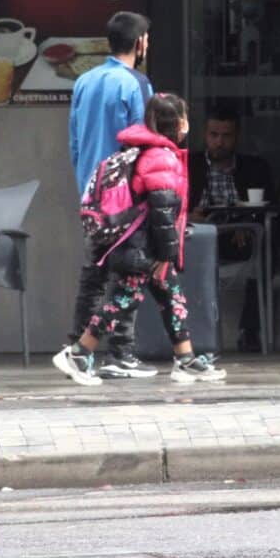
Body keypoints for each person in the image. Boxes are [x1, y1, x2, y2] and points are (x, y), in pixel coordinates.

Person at [53, 92, 226, 387]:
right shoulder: (161, 157)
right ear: (178, 123)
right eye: (184, 118)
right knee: (120, 301)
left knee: (171, 298)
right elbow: (161, 210)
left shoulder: (147, 151)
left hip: (146, 246)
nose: (187, 124)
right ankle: (78, 354)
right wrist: (166, 254)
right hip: (143, 249)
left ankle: (186, 360)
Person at [66, 10, 156, 379]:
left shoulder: (84, 81)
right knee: (129, 273)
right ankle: (121, 351)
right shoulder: (137, 83)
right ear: (140, 43)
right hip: (126, 197)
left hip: (91, 191)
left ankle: (78, 349)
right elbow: (145, 141)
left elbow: (74, 139)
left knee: (93, 275)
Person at [189, 108, 275, 352]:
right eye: (214, 135)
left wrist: (248, 223)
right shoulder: (189, 165)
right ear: (205, 135)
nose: (220, 142)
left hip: (241, 237)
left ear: (237, 137)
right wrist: (188, 216)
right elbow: (172, 206)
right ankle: (188, 336)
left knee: (268, 252)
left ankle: (250, 329)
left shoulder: (255, 167)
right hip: (200, 237)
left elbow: (271, 207)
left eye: (226, 136)